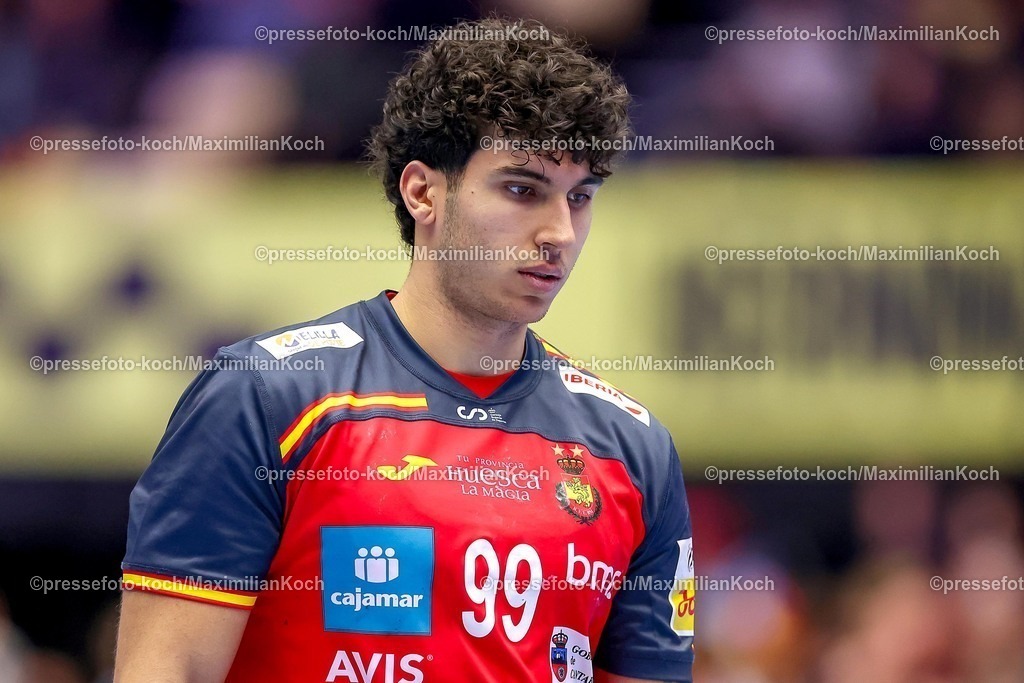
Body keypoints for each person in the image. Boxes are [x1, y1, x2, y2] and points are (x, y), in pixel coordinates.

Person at [114, 16, 694, 683]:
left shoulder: (634, 449)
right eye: (522, 190)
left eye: (581, 197)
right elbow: (166, 669)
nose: (559, 232)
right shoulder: (266, 396)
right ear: (423, 192)